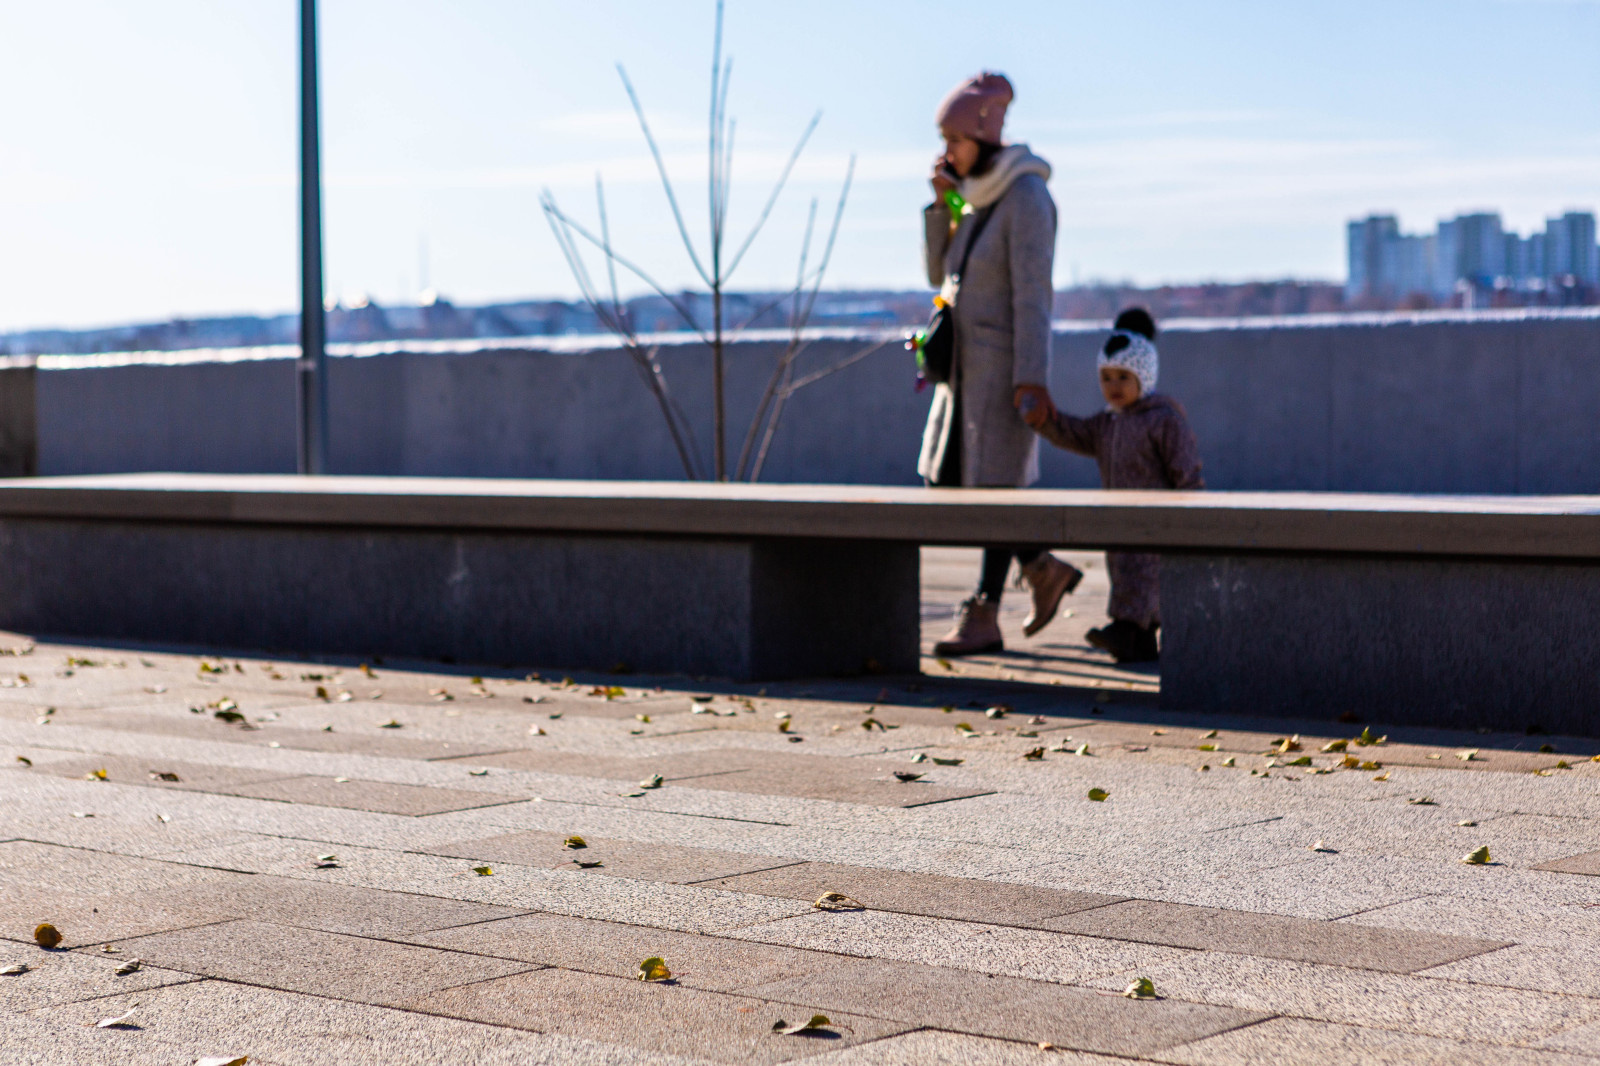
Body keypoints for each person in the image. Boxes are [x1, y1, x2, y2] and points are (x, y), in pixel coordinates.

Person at [921, 71, 1083, 658]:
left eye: (955, 140)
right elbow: (939, 273)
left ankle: (986, 612)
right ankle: (1041, 568)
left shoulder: (1027, 198)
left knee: (995, 490)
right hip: (964, 378)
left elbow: (1033, 297)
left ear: (984, 137)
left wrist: (1031, 380)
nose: (946, 153)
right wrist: (942, 210)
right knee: (952, 485)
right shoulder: (975, 197)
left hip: (1002, 377)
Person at [1017, 308, 1204, 663]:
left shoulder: (1163, 419)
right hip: (1120, 522)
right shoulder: (1108, 424)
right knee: (1122, 572)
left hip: (1156, 522)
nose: (1113, 386)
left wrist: (1191, 509)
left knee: (1144, 577)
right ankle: (1140, 641)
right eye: (1106, 377)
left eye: (1123, 377)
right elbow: (1074, 433)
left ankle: (1126, 629)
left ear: (1144, 378)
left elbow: (1185, 468)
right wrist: (1045, 422)